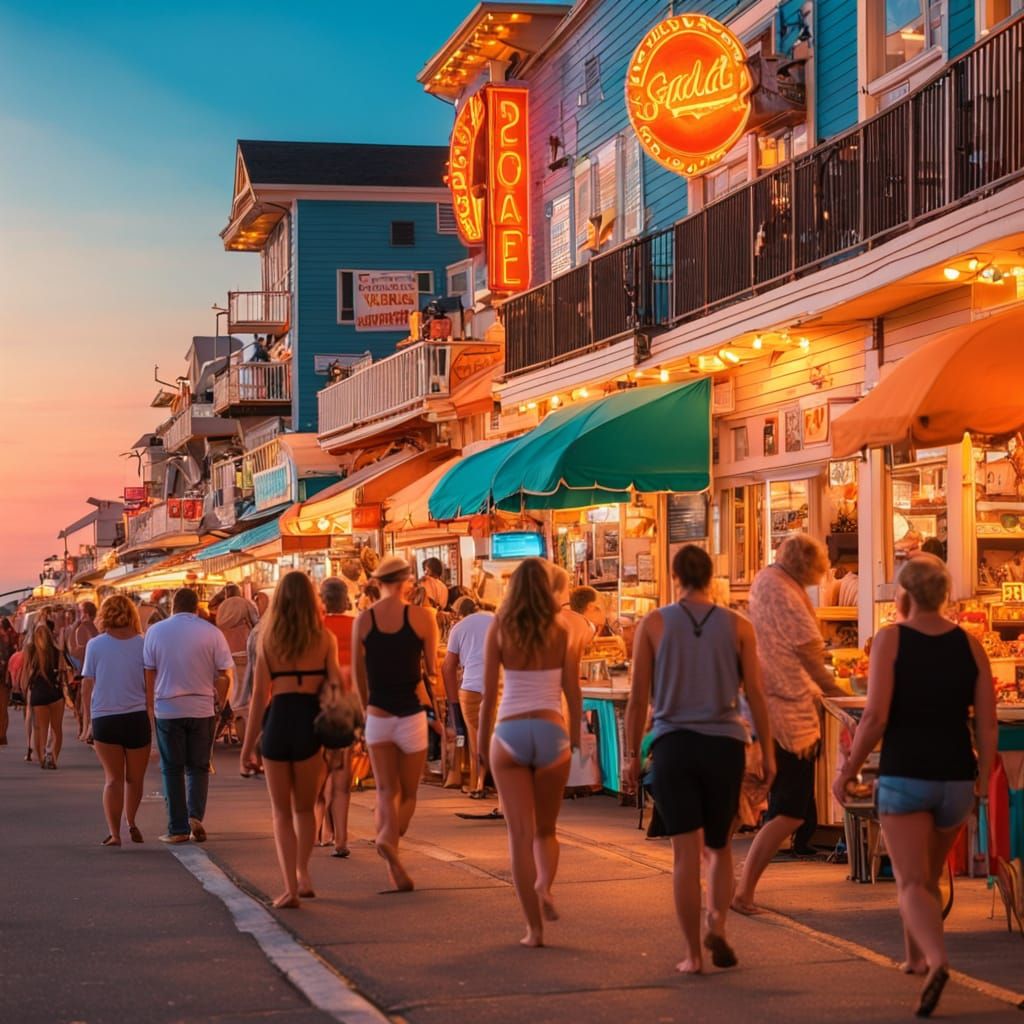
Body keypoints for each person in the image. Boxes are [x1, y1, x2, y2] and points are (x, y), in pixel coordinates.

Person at [834, 554, 997, 1018]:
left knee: (909, 882)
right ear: (944, 595)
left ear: (903, 596)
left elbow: (875, 717)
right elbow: (986, 725)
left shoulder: (890, 640)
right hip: (956, 781)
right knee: (927, 876)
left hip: (906, 776)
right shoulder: (971, 646)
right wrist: (983, 778)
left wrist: (849, 770)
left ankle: (938, 961)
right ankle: (914, 956)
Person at [623, 545, 776, 974]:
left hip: (673, 746)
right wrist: (766, 749)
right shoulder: (739, 626)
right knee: (720, 847)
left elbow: (637, 702)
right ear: (713, 577)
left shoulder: (652, 625)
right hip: (725, 745)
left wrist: (633, 756)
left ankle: (692, 955)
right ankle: (718, 923)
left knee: (684, 855)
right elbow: (757, 695)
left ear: (675, 577)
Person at [734, 535, 847, 913]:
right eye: (822, 564)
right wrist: (840, 694)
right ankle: (742, 890)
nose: (826, 571)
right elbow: (810, 655)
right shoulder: (786, 591)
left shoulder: (766, 579)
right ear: (807, 565)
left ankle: (715, 872)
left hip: (764, 706)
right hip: (790, 715)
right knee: (789, 811)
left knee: (754, 799)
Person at [479, 557, 582, 948]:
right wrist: (573, 740)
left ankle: (533, 930)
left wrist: (479, 744)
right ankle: (546, 885)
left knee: (518, 833)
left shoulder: (499, 629)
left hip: (509, 733)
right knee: (546, 830)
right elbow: (572, 691)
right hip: (551, 730)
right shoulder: (561, 632)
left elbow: (489, 695)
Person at [241, 572, 345, 908]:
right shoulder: (324, 639)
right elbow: (334, 689)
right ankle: (302, 873)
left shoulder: (268, 639)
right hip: (310, 724)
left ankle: (290, 888)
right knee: (304, 809)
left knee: (280, 812)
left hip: (279, 723)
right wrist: (338, 738)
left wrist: (247, 746)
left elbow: (259, 697)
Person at [353, 555, 439, 892]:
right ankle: (390, 840)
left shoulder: (364, 620)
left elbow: (360, 678)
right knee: (409, 793)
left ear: (377, 583)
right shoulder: (421, 618)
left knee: (386, 792)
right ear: (406, 581)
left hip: (378, 715)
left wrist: (365, 709)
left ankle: (390, 852)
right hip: (411, 714)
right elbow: (430, 669)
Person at [144, 588, 234, 844]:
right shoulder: (212, 632)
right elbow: (223, 673)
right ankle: (195, 816)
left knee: (171, 768)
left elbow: (149, 672)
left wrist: (150, 706)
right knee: (198, 766)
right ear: (196, 608)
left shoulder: (155, 632)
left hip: (168, 708)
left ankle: (178, 827)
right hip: (202, 706)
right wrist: (220, 698)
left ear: (173, 606)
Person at [81, 596, 152, 847]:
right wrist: (151, 717)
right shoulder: (143, 645)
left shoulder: (95, 645)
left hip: (105, 717)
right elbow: (149, 686)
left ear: (104, 615)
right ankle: (131, 821)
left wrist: (86, 723)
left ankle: (114, 834)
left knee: (113, 779)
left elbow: (87, 685)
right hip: (136, 717)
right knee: (135, 779)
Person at [318, 577, 357, 858]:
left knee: (320, 774)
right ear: (346, 599)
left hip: (319, 706)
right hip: (348, 706)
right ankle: (340, 837)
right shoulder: (357, 627)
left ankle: (322, 832)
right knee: (342, 774)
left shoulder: (315, 628)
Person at [443, 596, 495, 798]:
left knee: (475, 738)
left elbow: (448, 667)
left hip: (471, 687)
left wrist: (453, 702)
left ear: (458, 613)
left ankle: (478, 783)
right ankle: (501, 785)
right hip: (499, 685)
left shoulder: (459, 628)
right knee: (497, 735)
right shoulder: (497, 620)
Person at [22, 622, 66, 769]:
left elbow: (25, 674)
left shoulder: (30, 650)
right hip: (55, 693)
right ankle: (53, 758)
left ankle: (41, 758)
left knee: (40, 728)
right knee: (56, 729)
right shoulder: (57, 651)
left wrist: (24, 692)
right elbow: (63, 672)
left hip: (38, 694)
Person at [549, 566, 593, 663]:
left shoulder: (512, 627)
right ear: (558, 592)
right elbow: (590, 631)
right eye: (567, 586)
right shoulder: (570, 623)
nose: (569, 591)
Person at [69, 602, 99, 739]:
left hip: (86, 671)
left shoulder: (83, 628)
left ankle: (87, 730)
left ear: (85, 613)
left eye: (80, 612)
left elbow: (74, 651)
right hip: (94, 670)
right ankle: (87, 729)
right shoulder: (95, 627)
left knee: (86, 704)